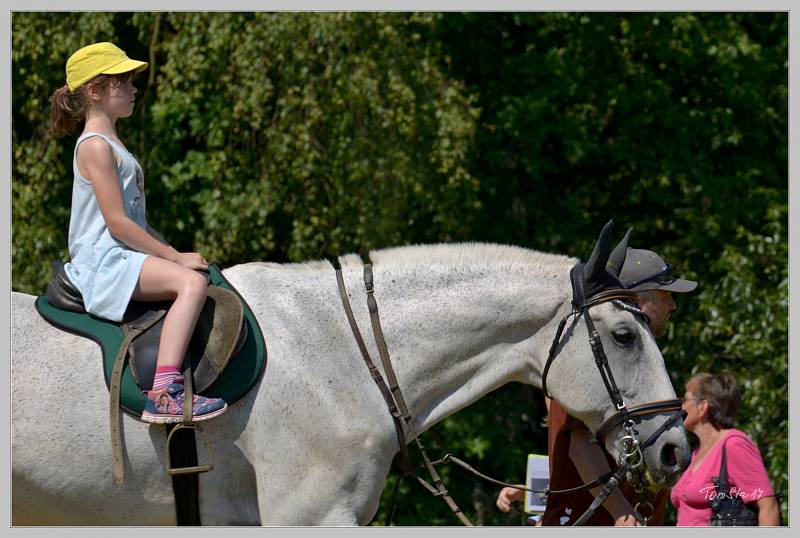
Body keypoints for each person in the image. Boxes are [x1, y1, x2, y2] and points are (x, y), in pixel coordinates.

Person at [50, 42, 226, 423]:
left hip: (122, 255)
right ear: (95, 91)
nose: (133, 89)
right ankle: (164, 392)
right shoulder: (96, 147)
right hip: (105, 262)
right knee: (191, 286)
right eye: (124, 81)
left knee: (193, 275)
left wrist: (173, 251)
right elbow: (118, 223)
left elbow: (138, 222)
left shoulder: (114, 144)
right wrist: (175, 259)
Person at [496, 248, 697, 525]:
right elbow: (579, 444)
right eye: (665, 296)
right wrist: (621, 511)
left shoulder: (635, 364)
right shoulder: (589, 364)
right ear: (636, 300)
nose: (673, 305)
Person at [671, 372, 780, 526]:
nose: (680, 405)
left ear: (702, 407)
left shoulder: (734, 444)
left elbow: (768, 506)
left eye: (685, 399)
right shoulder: (696, 453)